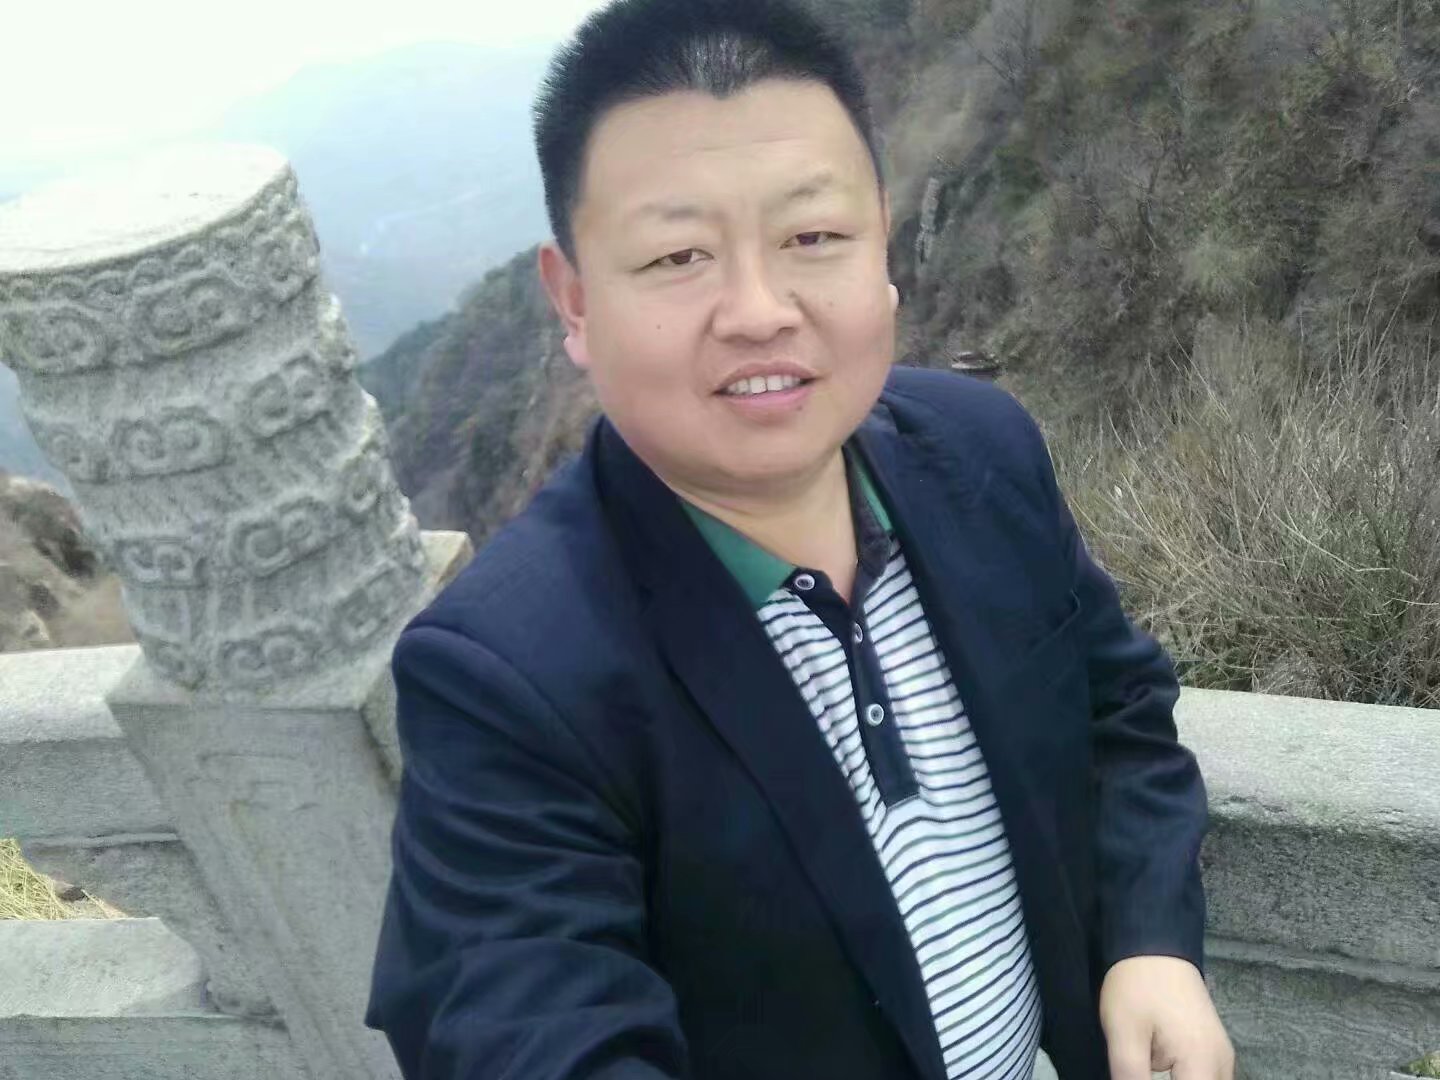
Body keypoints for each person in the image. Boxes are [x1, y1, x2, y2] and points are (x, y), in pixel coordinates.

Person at [364, 1, 1235, 1077]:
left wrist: (1150, 943)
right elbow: (519, 1018)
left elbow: (1120, 710)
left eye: (813, 238)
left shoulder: (983, 452)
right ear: (575, 301)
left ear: (883, 243)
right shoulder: (505, 677)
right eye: (679, 254)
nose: (759, 309)